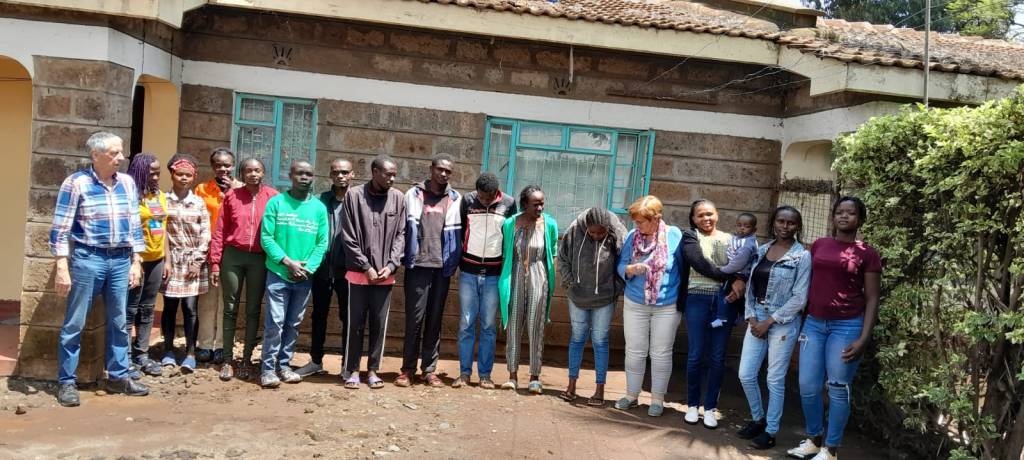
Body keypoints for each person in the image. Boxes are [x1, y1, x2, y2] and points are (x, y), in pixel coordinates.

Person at [51, 132, 149, 406]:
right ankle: (67, 381)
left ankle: (118, 376)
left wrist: (136, 260)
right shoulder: (76, 183)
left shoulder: (127, 183)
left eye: (121, 152)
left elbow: (134, 224)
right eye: (114, 153)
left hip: (120, 260)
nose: (121, 158)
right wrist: (62, 266)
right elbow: (61, 228)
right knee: (75, 322)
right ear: (95, 155)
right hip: (88, 258)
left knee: (119, 321)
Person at [787, 197, 881, 460]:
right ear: (833, 216)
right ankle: (814, 439)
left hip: (847, 326)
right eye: (839, 212)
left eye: (851, 213)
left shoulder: (867, 253)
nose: (844, 216)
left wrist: (864, 338)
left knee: (838, 387)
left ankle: (831, 449)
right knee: (807, 385)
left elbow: (873, 297)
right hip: (814, 324)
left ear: (860, 219)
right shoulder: (820, 245)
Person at [735, 206, 810, 450]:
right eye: (781, 221)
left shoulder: (801, 256)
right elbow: (750, 287)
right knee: (746, 374)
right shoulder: (762, 250)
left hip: (783, 323)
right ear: (773, 223)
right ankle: (758, 419)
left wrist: (769, 321)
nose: (785, 226)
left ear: (797, 226)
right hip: (756, 317)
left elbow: (800, 297)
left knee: (774, 379)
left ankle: (771, 431)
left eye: (791, 223)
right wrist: (751, 318)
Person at [258, 160, 329, 388]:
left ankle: (284, 366)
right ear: (290, 176)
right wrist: (288, 263)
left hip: (304, 277)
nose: (304, 178)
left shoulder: (318, 208)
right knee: (275, 323)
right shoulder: (276, 203)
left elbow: (322, 243)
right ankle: (268, 369)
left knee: (293, 323)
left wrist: (307, 269)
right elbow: (266, 238)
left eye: (309, 174)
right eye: (299, 173)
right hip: (278, 273)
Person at [613, 196, 683, 416]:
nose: (637, 225)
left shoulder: (674, 235)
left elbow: (683, 267)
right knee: (635, 351)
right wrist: (629, 270)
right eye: (635, 221)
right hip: (635, 302)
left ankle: (657, 400)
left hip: (667, 304)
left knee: (661, 353)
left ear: (656, 218)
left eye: (641, 221)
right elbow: (620, 265)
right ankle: (631, 395)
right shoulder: (632, 236)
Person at [209, 158, 278, 381]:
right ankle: (228, 360)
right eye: (248, 170)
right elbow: (220, 230)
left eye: (257, 170)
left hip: (259, 258)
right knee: (230, 308)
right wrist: (215, 262)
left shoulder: (273, 197)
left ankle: (247, 359)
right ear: (242, 173)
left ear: (263, 172)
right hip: (233, 256)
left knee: (253, 309)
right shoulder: (232, 196)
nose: (253, 174)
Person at [340, 155, 405, 390]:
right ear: (375, 172)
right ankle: (352, 370)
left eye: (394, 175)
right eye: (388, 174)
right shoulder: (354, 196)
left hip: (385, 276)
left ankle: (373, 370)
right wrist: (365, 266)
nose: (392, 179)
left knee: (379, 324)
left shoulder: (398, 198)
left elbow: (401, 235)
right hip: (359, 275)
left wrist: (391, 265)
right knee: (355, 324)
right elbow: (348, 236)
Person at [396, 154, 462, 388]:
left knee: (435, 319)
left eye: (448, 171)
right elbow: (403, 228)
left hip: (442, 268)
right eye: (440, 169)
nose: (443, 174)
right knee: (414, 319)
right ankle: (407, 370)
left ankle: (429, 370)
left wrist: (452, 262)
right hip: (418, 266)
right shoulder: (414, 194)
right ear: (431, 168)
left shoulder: (455, 198)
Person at [453, 172, 516, 389]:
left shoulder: (508, 203)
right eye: (481, 196)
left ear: (496, 193)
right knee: (466, 323)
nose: (484, 200)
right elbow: (461, 231)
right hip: (468, 272)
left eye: (488, 197)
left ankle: (485, 375)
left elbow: (510, 235)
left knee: (488, 325)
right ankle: (464, 373)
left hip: (493, 274)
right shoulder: (467, 200)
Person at [557, 208, 626, 406]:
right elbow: (562, 258)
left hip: (605, 298)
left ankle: (599, 389)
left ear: (607, 228)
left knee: (600, 340)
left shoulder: (617, 232)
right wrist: (570, 283)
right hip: (577, 295)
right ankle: (571, 385)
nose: (596, 236)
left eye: (600, 232)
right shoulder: (574, 230)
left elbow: (625, 259)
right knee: (577, 337)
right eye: (592, 232)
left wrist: (616, 287)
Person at [681, 199, 739, 429]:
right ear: (693, 219)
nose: (706, 218)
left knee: (717, 356)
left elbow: (742, 265)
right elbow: (698, 262)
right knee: (696, 354)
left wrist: (740, 280)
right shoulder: (690, 237)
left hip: (724, 302)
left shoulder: (730, 240)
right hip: (696, 299)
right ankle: (692, 405)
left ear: (717, 215)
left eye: (710, 214)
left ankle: (710, 407)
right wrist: (728, 276)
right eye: (700, 215)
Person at [293, 158, 354, 378]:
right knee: (319, 315)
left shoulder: (357, 200)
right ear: (330, 175)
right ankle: (316, 361)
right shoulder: (320, 200)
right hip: (321, 268)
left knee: (348, 317)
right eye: (336, 172)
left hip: (348, 270)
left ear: (352, 174)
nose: (340, 176)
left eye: (344, 172)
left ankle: (348, 365)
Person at [498, 185, 558, 394]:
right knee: (514, 325)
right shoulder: (510, 224)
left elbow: (553, 252)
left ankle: (534, 377)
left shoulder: (549, 224)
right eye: (535, 204)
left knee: (535, 325)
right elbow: (506, 253)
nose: (540, 208)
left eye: (542, 204)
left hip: (539, 276)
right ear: (524, 204)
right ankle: (512, 376)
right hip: (514, 276)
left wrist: (548, 279)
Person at [159, 154, 211, 374]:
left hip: (192, 261)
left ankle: (190, 353)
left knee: (190, 307)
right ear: (172, 174)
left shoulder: (199, 203)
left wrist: (197, 262)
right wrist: (166, 260)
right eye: (179, 174)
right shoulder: (163, 200)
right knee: (169, 307)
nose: (183, 178)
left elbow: (206, 234)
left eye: (188, 175)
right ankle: (168, 350)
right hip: (171, 261)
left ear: (194, 177)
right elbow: (160, 231)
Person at [192, 148, 242, 365]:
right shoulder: (202, 189)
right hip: (207, 250)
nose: (223, 169)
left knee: (226, 301)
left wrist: (232, 191)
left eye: (227, 165)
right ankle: (204, 344)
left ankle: (222, 345)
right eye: (218, 165)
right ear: (212, 167)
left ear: (233, 166)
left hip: (232, 252)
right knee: (207, 300)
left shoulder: (242, 189)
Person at [124, 153, 166, 378]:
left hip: (157, 259)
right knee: (130, 309)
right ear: (140, 172)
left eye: (158, 173)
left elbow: (164, 227)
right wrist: (135, 259)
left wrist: (166, 259)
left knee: (148, 308)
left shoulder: (158, 195)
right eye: (152, 173)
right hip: (136, 260)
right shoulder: (129, 195)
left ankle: (142, 354)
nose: (156, 177)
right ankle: (125, 357)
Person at [711, 212, 758, 328]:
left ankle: (721, 317)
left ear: (754, 229)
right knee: (737, 295)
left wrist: (723, 270)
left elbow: (739, 262)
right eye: (739, 225)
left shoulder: (748, 243)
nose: (742, 228)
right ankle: (741, 316)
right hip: (738, 272)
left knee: (723, 292)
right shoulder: (737, 239)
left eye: (747, 226)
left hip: (740, 273)